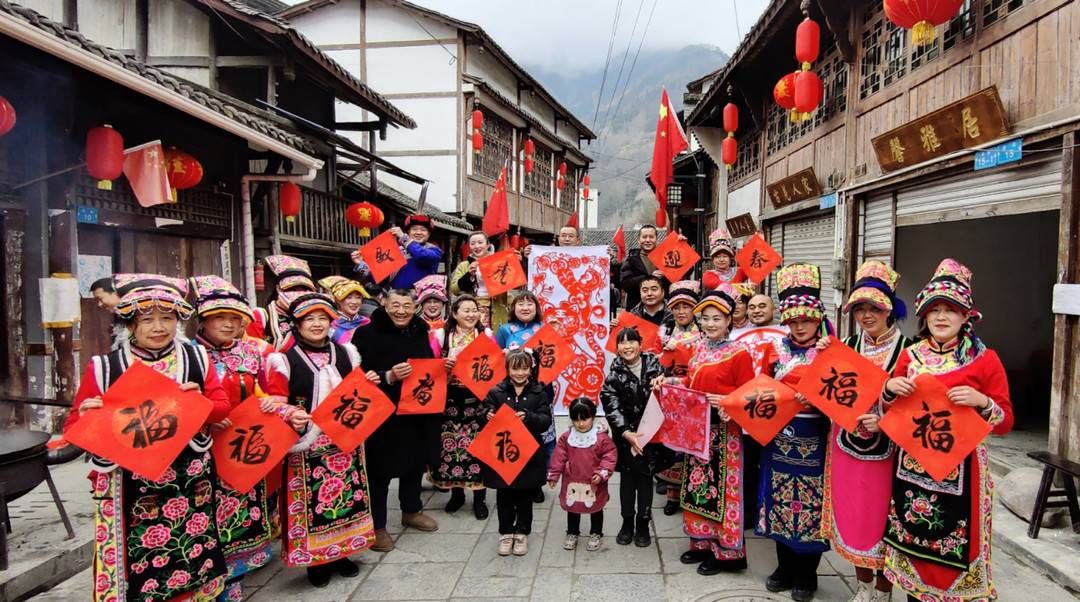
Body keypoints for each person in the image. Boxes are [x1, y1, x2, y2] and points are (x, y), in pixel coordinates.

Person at [65, 274, 232, 601]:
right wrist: (88, 416)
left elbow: (221, 407)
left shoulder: (195, 359)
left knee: (193, 547)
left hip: (189, 478)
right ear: (130, 324)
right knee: (140, 555)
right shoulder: (105, 367)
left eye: (167, 318)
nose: (158, 327)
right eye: (147, 319)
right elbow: (74, 428)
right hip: (132, 482)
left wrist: (199, 403)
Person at [876, 259, 1013, 602]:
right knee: (911, 544)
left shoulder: (985, 359)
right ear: (924, 315)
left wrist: (982, 402)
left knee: (955, 552)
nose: (941, 317)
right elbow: (891, 412)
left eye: (950, 309)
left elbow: (1006, 422)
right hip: (910, 468)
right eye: (934, 309)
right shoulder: (911, 355)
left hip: (963, 473)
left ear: (966, 316)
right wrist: (891, 390)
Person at [262, 292, 378, 587]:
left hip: (345, 439)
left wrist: (368, 382)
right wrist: (290, 413)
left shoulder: (347, 353)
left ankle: (343, 553)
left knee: (347, 496)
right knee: (312, 501)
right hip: (307, 445)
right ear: (296, 324)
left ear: (331, 321)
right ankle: (316, 562)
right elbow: (274, 402)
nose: (316, 324)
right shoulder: (282, 361)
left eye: (322, 318)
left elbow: (355, 389)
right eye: (309, 319)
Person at [816, 261, 910, 602]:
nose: (867, 315)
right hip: (845, 445)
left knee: (883, 516)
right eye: (860, 309)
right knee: (852, 512)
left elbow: (915, 409)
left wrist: (883, 419)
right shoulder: (846, 346)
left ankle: (884, 590)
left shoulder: (908, 352)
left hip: (888, 452)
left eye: (874, 308)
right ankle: (864, 585)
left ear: (889, 310)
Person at [190, 276, 278, 601]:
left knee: (240, 510)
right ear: (203, 320)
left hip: (244, 444)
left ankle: (234, 576)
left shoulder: (251, 353)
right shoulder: (189, 355)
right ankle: (206, 577)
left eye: (234, 318)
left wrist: (268, 401)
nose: (228, 324)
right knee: (206, 515)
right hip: (204, 449)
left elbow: (261, 392)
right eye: (219, 318)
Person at [657, 285, 755, 576]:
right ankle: (700, 542)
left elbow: (749, 393)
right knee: (697, 486)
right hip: (697, 428)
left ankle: (726, 552)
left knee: (722, 491)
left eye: (717, 318)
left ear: (728, 321)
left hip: (726, 431)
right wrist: (670, 384)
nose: (710, 324)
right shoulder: (699, 348)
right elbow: (690, 381)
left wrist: (727, 401)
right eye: (706, 318)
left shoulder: (739, 353)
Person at [759, 264, 834, 602]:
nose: (800, 326)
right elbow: (758, 390)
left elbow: (846, 403)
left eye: (806, 320)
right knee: (778, 502)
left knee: (810, 508)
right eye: (793, 320)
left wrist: (818, 398)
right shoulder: (774, 351)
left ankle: (807, 574)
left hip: (816, 441)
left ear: (818, 319)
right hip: (778, 439)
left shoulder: (832, 353)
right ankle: (784, 567)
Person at [352, 289, 441, 552]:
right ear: (384, 305)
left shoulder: (420, 331)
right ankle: (376, 525)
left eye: (407, 305)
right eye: (395, 305)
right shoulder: (365, 334)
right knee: (379, 470)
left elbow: (425, 366)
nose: (401, 311)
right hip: (380, 412)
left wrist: (440, 367)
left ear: (415, 307)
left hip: (414, 410)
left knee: (414, 462)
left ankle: (411, 510)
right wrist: (388, 375)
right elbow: (357, 375)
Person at [482, 348, 552, 556]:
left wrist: (529, 417)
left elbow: (546, 420)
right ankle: (505, 532)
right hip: (502, 453)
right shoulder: (497, 392)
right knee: (504, 495)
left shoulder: (538, 393)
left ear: (531, 369)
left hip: (528, 454)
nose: (519, 373)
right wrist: (487, 415)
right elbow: (481, 412)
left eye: (524, 368)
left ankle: (522, 532)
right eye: (515, 368)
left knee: (524, 495)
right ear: (507, 369)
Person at [601, 327, 666, 546]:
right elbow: (612, 404)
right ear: (617, 347)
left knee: (646, 480)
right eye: (622, 342)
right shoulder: (614, 374)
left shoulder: (656, 367)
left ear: (640, 344)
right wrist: (625, 431)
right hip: (626, 436)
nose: (627, 346)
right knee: (627, 480)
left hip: (651, 435)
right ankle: (627, 522)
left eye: (632, 341)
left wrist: (665, 383)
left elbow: (667, 397)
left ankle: (643, 524)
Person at [431, 295, 491, 520]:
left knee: (478, 449)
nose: (471, 314)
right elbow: (429, 366)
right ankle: (456, 495)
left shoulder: (485, 336)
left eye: (474, 310)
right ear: (454, 313)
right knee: (451, 448)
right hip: (449, 399)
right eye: (465, 310)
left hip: (477, 400)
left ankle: (479, 498)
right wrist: (442, 366)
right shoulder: (441, 336)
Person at [655, 280, 703, 516]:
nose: (681, 311)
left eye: (686, 307)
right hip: (669, 397)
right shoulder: (663, 333)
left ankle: (690, 491)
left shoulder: (704, 333)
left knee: (690, 448)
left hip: (694, 397)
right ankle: (672, 494)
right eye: (677, 307)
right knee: (671, 446)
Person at [548, 397, 617, 552]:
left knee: (596, 507)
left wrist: (602, 472)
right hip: (572, 480)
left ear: (592, 416)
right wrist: (554, 475)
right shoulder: (567, 438)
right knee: (573, 507)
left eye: (584, 419)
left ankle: (596, 532)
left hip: (593, 481)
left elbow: (609, 456)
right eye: (576, 420)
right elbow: (559, 456)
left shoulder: (601, 438)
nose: (580, 424)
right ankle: (572, 532)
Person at [352, 215, 444, 291]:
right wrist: (361, 264)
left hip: (423, 299)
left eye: (423, 230)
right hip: (398, 298)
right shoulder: (396, 251)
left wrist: (403, 237)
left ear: (429, 234)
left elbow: (422, 256)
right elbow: (381, 280)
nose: (418, 232)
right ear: (408, 232)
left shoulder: (434, 250)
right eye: (414, 229)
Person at [247, 255, 316, 350]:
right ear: (278, 289)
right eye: (292, 290)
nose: (298, 294)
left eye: (305, 290)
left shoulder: (314, 316)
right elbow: (252, 352)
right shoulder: (261, 316)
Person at [450, 231, 511, 330]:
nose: (476, 246)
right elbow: (454, 289)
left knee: (497, 337)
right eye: (473, 243)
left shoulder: (499, 262)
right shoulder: (464, 265)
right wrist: (468, 274)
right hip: (474, 309)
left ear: (487, 245)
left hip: (497, 305)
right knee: (477, 337)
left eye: (480, 242)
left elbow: (513, 282)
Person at [735, 293, 789, 375]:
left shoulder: (790, 332)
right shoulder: (733, 336)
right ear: (747, 312)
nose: (756, 311)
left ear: (774, 310)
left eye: (762, 306)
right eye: (752, 308)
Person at [619, 225, 667, 310]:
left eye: (651, 237)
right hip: (637, 310)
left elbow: (685, 271)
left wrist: (682, 246)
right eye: (644, 237)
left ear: (656, 239)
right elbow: (625, 283)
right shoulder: (630, 260)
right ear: (638, 240)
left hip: (662, 310)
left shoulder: (666, 258)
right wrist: (650, 278)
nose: (648, 240)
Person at [317, 275, 371, 345]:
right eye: (349, 298)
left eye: (358, 297)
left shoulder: (367, 322)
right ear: (338, 300)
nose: (354, 302)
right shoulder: (331, 325)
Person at [90, 277, 125, 350]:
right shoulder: (118, 316)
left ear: (115, 293)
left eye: (100, 299)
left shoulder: (136, 314)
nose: (99, 304)